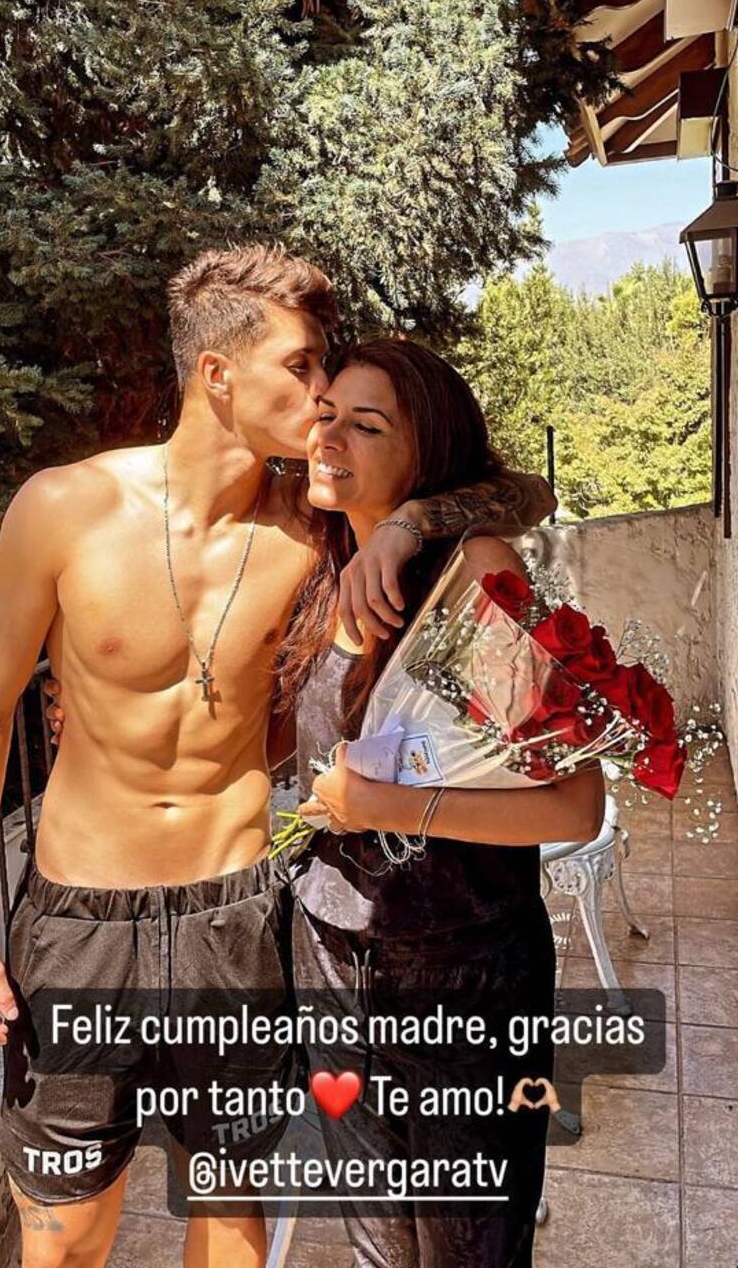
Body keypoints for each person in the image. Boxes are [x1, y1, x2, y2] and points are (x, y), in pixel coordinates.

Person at [0, 246, 555, 1268]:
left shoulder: (315, 522)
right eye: (303, 368)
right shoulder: (64, 507)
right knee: (64, 1228)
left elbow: (509, 492)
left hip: (236, 911)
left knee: (230, 1204)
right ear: (217, 373)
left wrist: (406, 524)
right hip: (82, 918)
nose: (322, 397)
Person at [272, 339, 605, 1267]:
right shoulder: (322, 558)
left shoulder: (472, 573)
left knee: (470, 1247)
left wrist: (385, 805)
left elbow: (575, 803)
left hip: (462, 980)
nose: (329, 436)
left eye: (367, 425)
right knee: (379, 1246)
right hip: (333, 966)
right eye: (325, 414)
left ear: (429, 453)